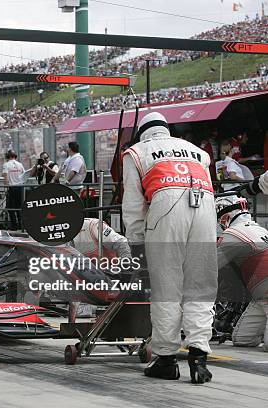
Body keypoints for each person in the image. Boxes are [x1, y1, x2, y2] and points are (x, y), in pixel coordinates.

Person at [122, 112, 217, 384]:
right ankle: (199, 359)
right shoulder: (198, 152)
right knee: (200, 286)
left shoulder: (136, 152)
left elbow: (132, 205)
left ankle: (165, 359)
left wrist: (138, 244)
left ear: (142, 133)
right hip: (204, 208)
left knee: (167, 288)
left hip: (166, 209)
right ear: (167, 130)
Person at [215, 196, 268, 351]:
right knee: (242, 340)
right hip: (260, 297)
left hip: (263, 291)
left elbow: (210, 266)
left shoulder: (233, 233)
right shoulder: (260, 229)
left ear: (225, 216)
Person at [2, 149, 25, 231]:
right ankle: (21, 225)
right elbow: (24, 175)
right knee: (19, 207)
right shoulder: (20, 164)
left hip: (12, 188)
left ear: (7, 157)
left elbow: (6, 178)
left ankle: (14, 226)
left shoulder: (6, 165)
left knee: (10, 208)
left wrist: (6, 187)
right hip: (20, 188)